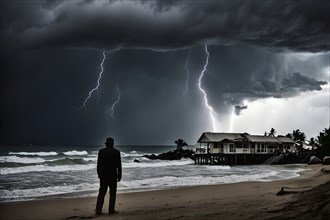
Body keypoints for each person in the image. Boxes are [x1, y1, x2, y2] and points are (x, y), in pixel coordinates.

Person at [95, 137, 122, 215]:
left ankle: (98, 210)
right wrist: (119, 175)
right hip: (113, 175)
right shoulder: (116, 152)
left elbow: (98, 165)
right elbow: (119, 165)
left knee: (102, 192)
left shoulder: (101, 151)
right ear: (113, 144)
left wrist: (99, 174)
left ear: (106, 143)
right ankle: (111, 210)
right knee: (113, 193)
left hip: (103, 175)